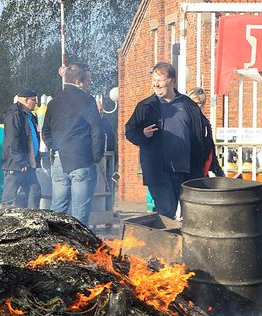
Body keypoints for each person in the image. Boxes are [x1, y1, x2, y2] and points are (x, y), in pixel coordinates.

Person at [125, 62, 207, 218]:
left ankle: (180, 241)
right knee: (166, 211)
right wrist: (143, 134)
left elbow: (202, 136)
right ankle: (165, 241)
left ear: (172, 81)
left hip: (185, 170)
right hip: (158, 171)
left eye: (160, 80)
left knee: (189, 215)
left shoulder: (189, 105)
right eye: (154, 80)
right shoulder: (146, 106)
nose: (156, 84)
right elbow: (130, 131)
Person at [42, 63, 105, 225]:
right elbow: (97, 130)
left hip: (59, 160)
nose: (89, 83)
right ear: (79, 81)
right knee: (79, 213)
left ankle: (54, 246)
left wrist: (54, 148)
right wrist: (96, 157)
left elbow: (45, 132)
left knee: (57, 209)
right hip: (82, 161)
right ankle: (77, 247)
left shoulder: (53, 103)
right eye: (88, 79)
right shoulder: (87, 101)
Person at [0, 89, 41, 208]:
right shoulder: (14, 114)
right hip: (16, 164)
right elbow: (13, 139)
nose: (36, 103)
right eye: (34, 100)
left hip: (28, 163)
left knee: (35, 192)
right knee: (10, 197)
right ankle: (4, 221)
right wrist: (21, 161)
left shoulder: (30, 116)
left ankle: (31, 221)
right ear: (26, 100)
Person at [187, 87, 224, 178]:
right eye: (195, 103)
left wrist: (217, 169)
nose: (198, 106)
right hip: (187, 166)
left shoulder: (204, 122)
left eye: (201, 103)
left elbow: (210, 145)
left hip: (200, 166)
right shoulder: (184, 119)